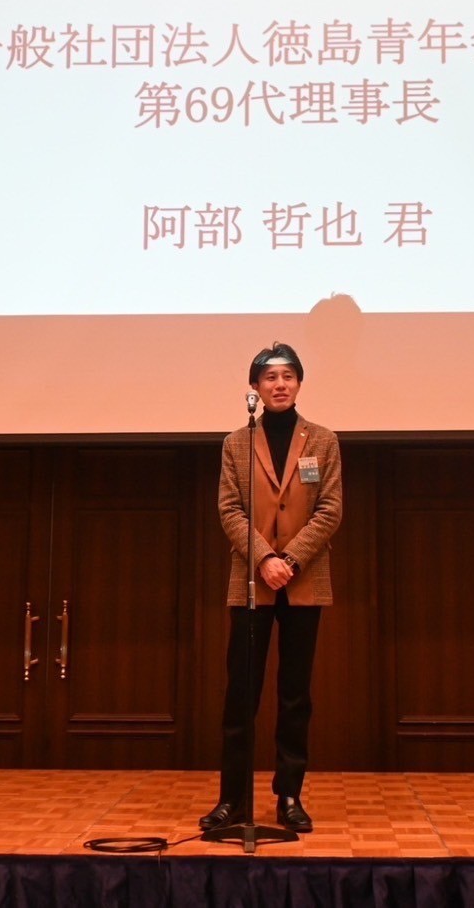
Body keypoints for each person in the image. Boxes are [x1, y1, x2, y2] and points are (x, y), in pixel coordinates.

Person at [200, 342, 343, 835]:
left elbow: (330, 509)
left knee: (295, 695)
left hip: (304, 581)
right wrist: (264, 558)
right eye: (270, 378)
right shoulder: (236, 443)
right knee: (241, 694)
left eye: (288, 376)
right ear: (255, 388)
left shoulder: (323, 440)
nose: (280, 385)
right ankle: (233, 800)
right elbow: (229, 510)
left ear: (299, 383)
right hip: (251, 582)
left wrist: (292, 559)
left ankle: (290, 797)